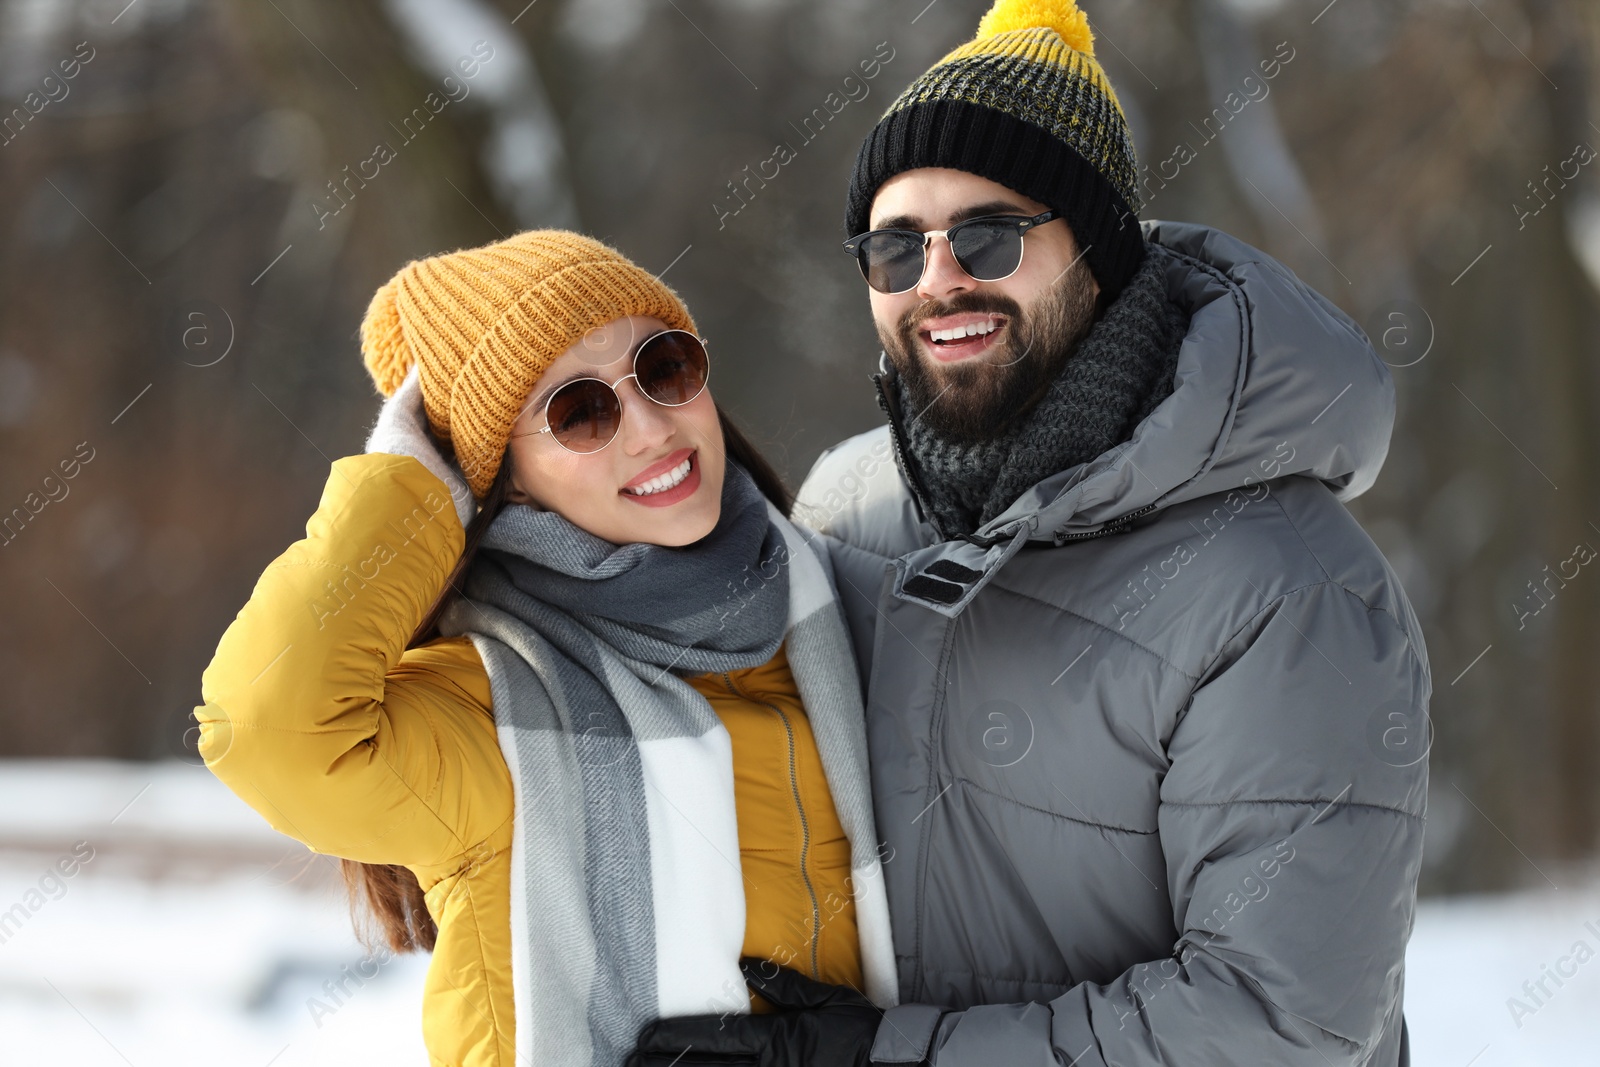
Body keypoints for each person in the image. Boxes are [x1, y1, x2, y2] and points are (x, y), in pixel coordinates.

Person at [627, 1, 1429, 1065]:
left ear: (1095, 246)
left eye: (991, 234)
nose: (939, 278)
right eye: (893, 249)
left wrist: (884, 1056)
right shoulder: (841, 507)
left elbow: (1276, 1023)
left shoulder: (1284, 586)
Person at [194, 231, 899, 1066]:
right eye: (579, 411)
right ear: (507, 477)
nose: (648, 426)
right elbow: (268, 726)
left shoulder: (833, 611)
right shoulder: (490, 709)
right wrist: (415, 486)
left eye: (664, 366)